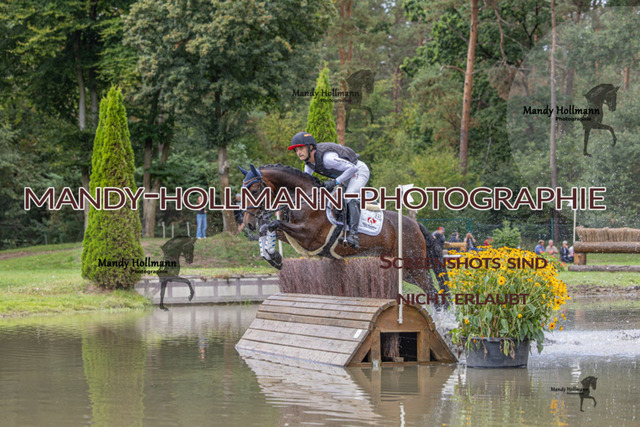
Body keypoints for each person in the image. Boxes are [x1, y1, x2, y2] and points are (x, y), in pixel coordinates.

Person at [288, 131, 370, 249]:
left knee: (349, 196)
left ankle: (353, 236)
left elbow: (353, 168)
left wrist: (335, 182)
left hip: (358, 171)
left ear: (310, 147)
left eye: (301, 148)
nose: (299, 152)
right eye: (296, 150)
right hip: (346, 176)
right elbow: (305, 184)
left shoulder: (327, 158)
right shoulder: (309, 164)